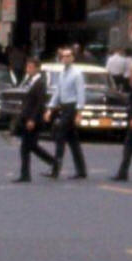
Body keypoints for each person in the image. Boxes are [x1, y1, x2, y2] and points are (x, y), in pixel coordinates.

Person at [11, 55, 56, 182]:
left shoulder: (40, 83)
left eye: (30, 67)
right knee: (31, 146)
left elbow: (39, 103)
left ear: (37, 68)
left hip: (33, 119)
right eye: (27, 66)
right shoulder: (28, 81)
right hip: (25, 117)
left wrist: (33, 119)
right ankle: (53, 161)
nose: (28, 69)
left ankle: (26, 175)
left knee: (26, 147)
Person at [47, 46, 87, 178]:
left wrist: (79, 112)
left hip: (71, 107)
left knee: (60, 136)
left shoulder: (77, 74)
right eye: (63, 56)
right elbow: (57, 91)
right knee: (73, 141)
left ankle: (55, 169)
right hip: (63, 107)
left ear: (73, 58)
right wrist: (50, 108)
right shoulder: (62, 73)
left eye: (68, 56)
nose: (65, 58)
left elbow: (81, 93)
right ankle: (81, 170)